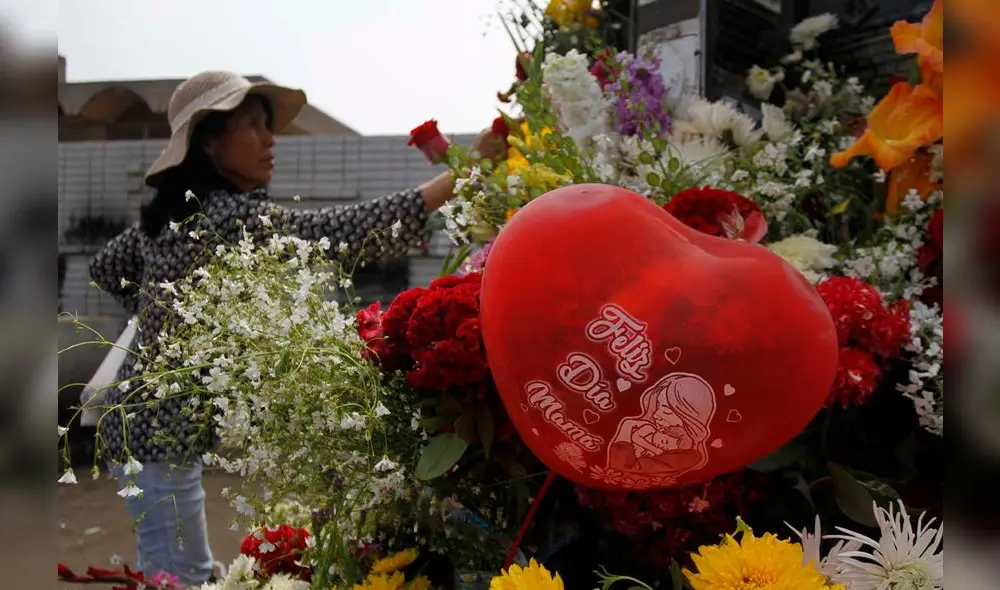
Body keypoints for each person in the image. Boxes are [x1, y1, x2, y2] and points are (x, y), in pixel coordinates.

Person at [88, 70, 506, 586]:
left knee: (177, 570)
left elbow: (106, 268)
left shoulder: (167, 218)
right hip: (154, 433)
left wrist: (167, 319)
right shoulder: (221, 216)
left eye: (269, 126)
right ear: (211, 144)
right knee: (181, 576)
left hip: (149, 427)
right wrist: (462, 175)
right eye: (252, 126)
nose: (270, 140)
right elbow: (336, 233)